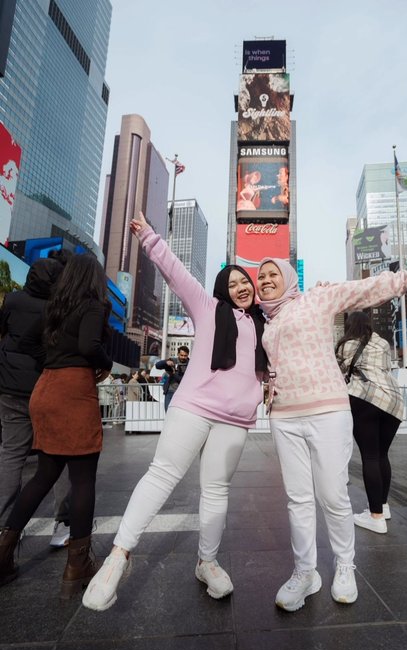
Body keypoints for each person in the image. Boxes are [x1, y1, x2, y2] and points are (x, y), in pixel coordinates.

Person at [82, 210, 267, 612]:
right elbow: (176, 272)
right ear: (222, 289)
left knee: (216, 491)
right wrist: (149, 236)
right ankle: (119, 556)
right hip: (194, 407)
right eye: (232, 283)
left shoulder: (263, 324)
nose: (241, 288)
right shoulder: (206, 307)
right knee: (162, 475)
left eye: (245, 282)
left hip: (235, 420)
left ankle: (207, 562)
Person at [256, 256, 407, 612]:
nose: (266, 280)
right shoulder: (266, 320)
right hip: (284, 416)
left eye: (273, 274)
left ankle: (345, 566)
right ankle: (305, 572)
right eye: (262, 276)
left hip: (327, 411)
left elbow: (368, 290)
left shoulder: (317, 299)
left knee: (334, 496)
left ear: (287, 278)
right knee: (298, 499)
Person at [0, 253, 113, 596]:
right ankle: (76, 567)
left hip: (44, 389)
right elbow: (89, 345)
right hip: (74, 393)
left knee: (43, 476)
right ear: (93, 278)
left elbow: (26, 341)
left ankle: (2, 554)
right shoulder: (92, 305)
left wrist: (50, 361)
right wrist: (104, 364)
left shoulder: (54, 306)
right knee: (82, 480)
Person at [0, 257, 63, 532]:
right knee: (61, 454)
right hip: (44, 388)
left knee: (11, 453)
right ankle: (63, 523)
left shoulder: (12, 300)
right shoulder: (57, 308)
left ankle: (5, 523)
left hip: (9, 386)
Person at [335, 311, 403, 534]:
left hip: (364, 398)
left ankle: (376, 517)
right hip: (392, 401)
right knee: (382, 455)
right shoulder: (382, 342)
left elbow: (338, 372)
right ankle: (383, 506)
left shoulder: (346, 345)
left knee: (370, 456)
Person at [156, 345, 190, 412]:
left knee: (180, 414)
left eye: (185, 355)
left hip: (183, 393)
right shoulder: (173, 360)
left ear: (188, 355)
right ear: (178, 354)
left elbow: (182, 380)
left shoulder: (190, 364)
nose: (183, 357)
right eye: (181, 355)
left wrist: (174, 373)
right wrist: (165, 362)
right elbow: (157, 365)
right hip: (170, 392)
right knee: (168, 412)